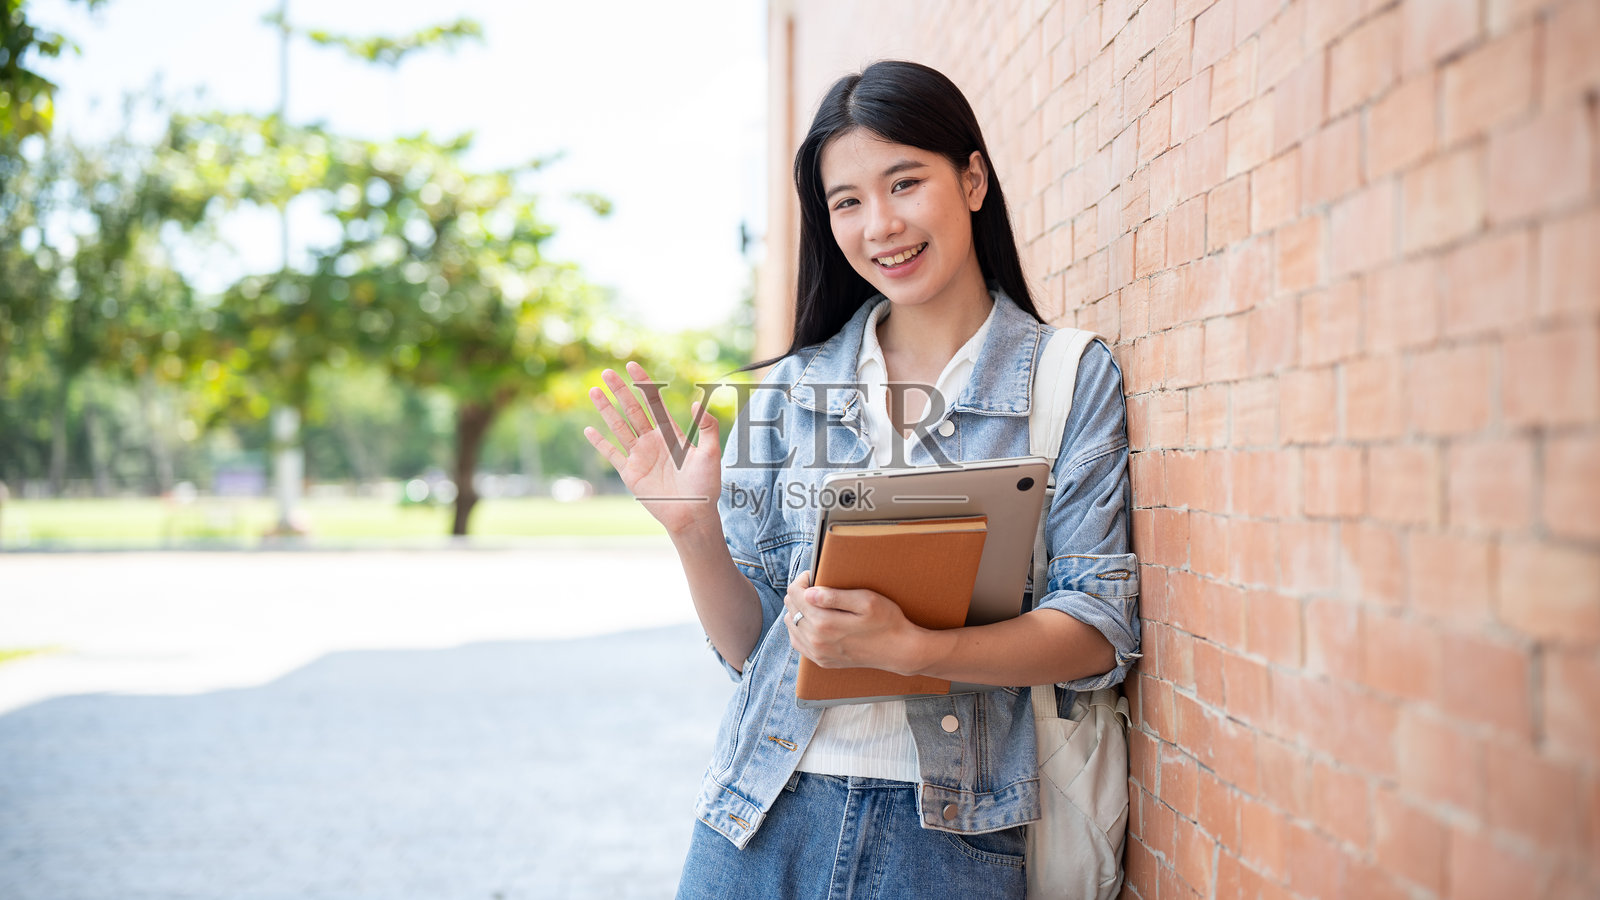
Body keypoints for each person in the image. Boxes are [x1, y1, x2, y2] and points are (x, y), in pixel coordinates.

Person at [584, 60, 1139, 900]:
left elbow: (1096, 628)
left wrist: (918, 651)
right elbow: (750, 650)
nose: (880, 224)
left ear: (974, 178)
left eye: (905, 182)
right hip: (758, 820)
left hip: (951, 842)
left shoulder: (1068, 377)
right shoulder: (787, 391)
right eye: (847, 202)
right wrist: (693, 530)